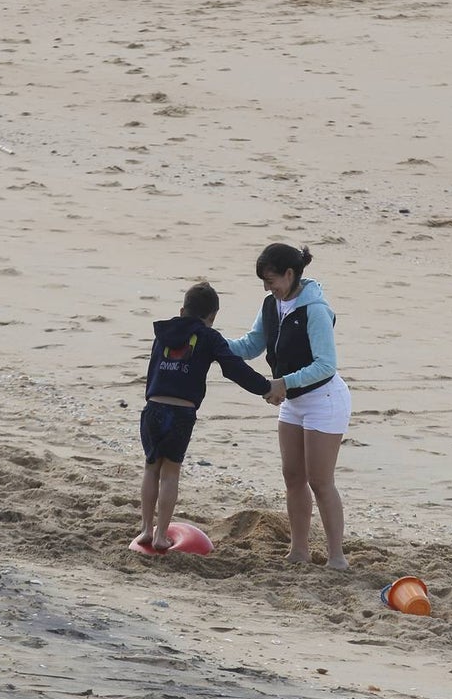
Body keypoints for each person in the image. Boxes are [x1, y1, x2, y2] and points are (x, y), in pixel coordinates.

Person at [227, 244, 352, 570]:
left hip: (325, 400)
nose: (268, 288)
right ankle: (299, 550)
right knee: (293, 476)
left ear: (290, 274)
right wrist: (213, 343)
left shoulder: (315, 310)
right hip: (294, 402)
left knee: (320, 480)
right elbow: (251, 345)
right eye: (264, 283)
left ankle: (337, 556)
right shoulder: (271, 305)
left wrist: (283, 383)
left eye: (271, 281)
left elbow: (326, 364)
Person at [138, 281, 271, 551]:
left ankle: (144, 530)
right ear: (211, 317)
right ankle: (162, 534)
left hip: (152, 408)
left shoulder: (162, 334)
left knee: (151, 468)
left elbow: (152, 372)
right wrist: (266, 388)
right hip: (180, 413)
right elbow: (234, 368)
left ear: (182, 309)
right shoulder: (209, 337)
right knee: (170, 474)